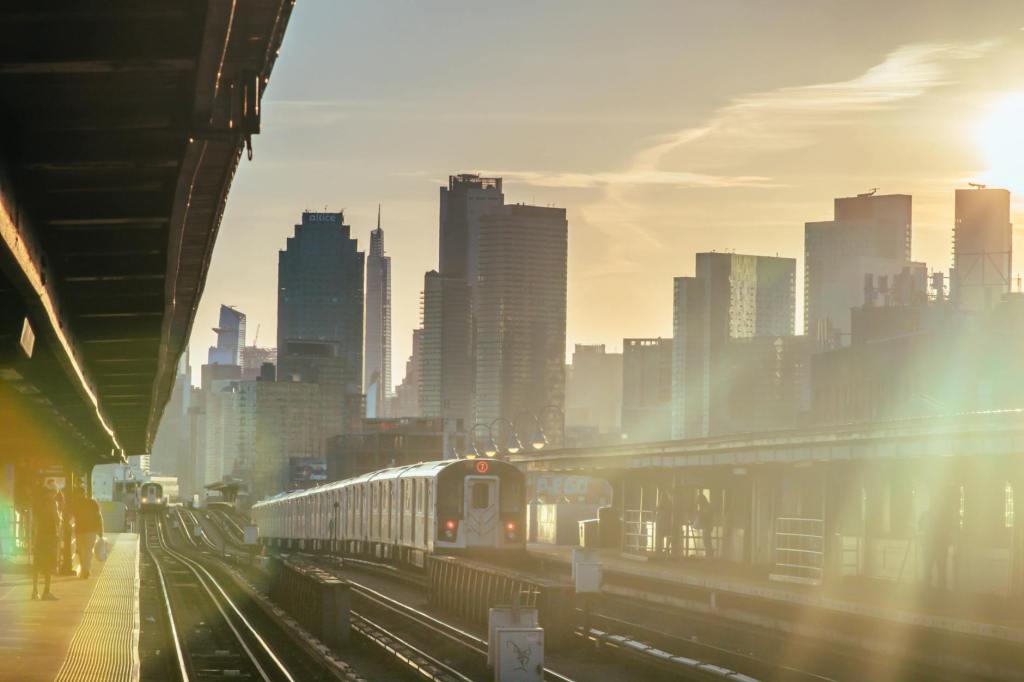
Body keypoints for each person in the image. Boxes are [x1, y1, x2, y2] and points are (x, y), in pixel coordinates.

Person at [31, 483, 60, 600]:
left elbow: (34, 522)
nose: (54, 495)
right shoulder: (52, 503)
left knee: (37, 564)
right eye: (53, 493)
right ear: (50, 493)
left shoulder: (37, 504)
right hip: (50, 535)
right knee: (48, 564)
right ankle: (46, 592)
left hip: (39, 536)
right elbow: (57, 519)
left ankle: (34, 591)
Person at [70, 487, 104, 579]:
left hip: (80, 531)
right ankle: (86, 570)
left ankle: (85, 570)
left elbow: (71, 516)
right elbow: (98, 517)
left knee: (82, 552)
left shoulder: (76, 503)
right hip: (90, 530)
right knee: (88, 551)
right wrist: (100, 530)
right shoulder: (93, 503)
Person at [695, 491, 714, 559]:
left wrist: (700, 514)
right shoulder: (706, 506)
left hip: (707, 526)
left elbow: (706, 515)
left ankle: (709, 555)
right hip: (707, 525)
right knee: (706, 540)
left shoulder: (707, 507)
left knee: (707, 540)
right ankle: (709, 555)